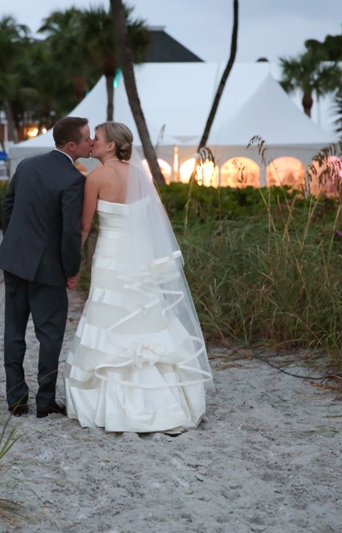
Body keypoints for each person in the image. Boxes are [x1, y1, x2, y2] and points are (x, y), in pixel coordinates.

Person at [64, 122, 214, 433]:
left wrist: (72, 266)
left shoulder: (95, 178)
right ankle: (167, 398)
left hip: (110, 256)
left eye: (98, 138)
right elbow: (149, 222)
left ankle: (113, 402)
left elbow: (84, 228)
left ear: (109, 146)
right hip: (140, 257)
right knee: (145, 314)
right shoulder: (139, 176)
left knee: (109, 314)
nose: (92, 141)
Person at [0, 116, 93, 418]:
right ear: (72, 145)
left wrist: (15, 245)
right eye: (88, 138)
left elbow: (7, 208)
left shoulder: (27, 165)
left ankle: (16, 398)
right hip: (47, 267)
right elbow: (70, 233)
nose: (92, 142)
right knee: (50, 335)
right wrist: (71, 269)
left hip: (14, 259)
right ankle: (45, 400)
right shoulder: (73, 179)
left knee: (14, 329)